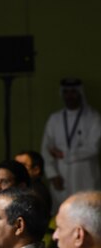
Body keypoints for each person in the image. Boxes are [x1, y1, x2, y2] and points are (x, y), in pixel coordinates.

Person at [41, 78, 101, 210]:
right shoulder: (54, 119)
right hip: (61, 177)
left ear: (80, 93)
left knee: (89, 211)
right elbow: (46, 149)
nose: (70, 96)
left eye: (73, 92)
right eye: (66, 92)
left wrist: (65, 154)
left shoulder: (93, 117)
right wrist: (52, 174)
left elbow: (93, 148)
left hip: (86, 178)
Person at [15, 150, 53, 217]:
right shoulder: (23, 188)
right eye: (15, 165)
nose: (17, 169)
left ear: (36, 170)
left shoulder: (36, 193)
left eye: (22, 165)